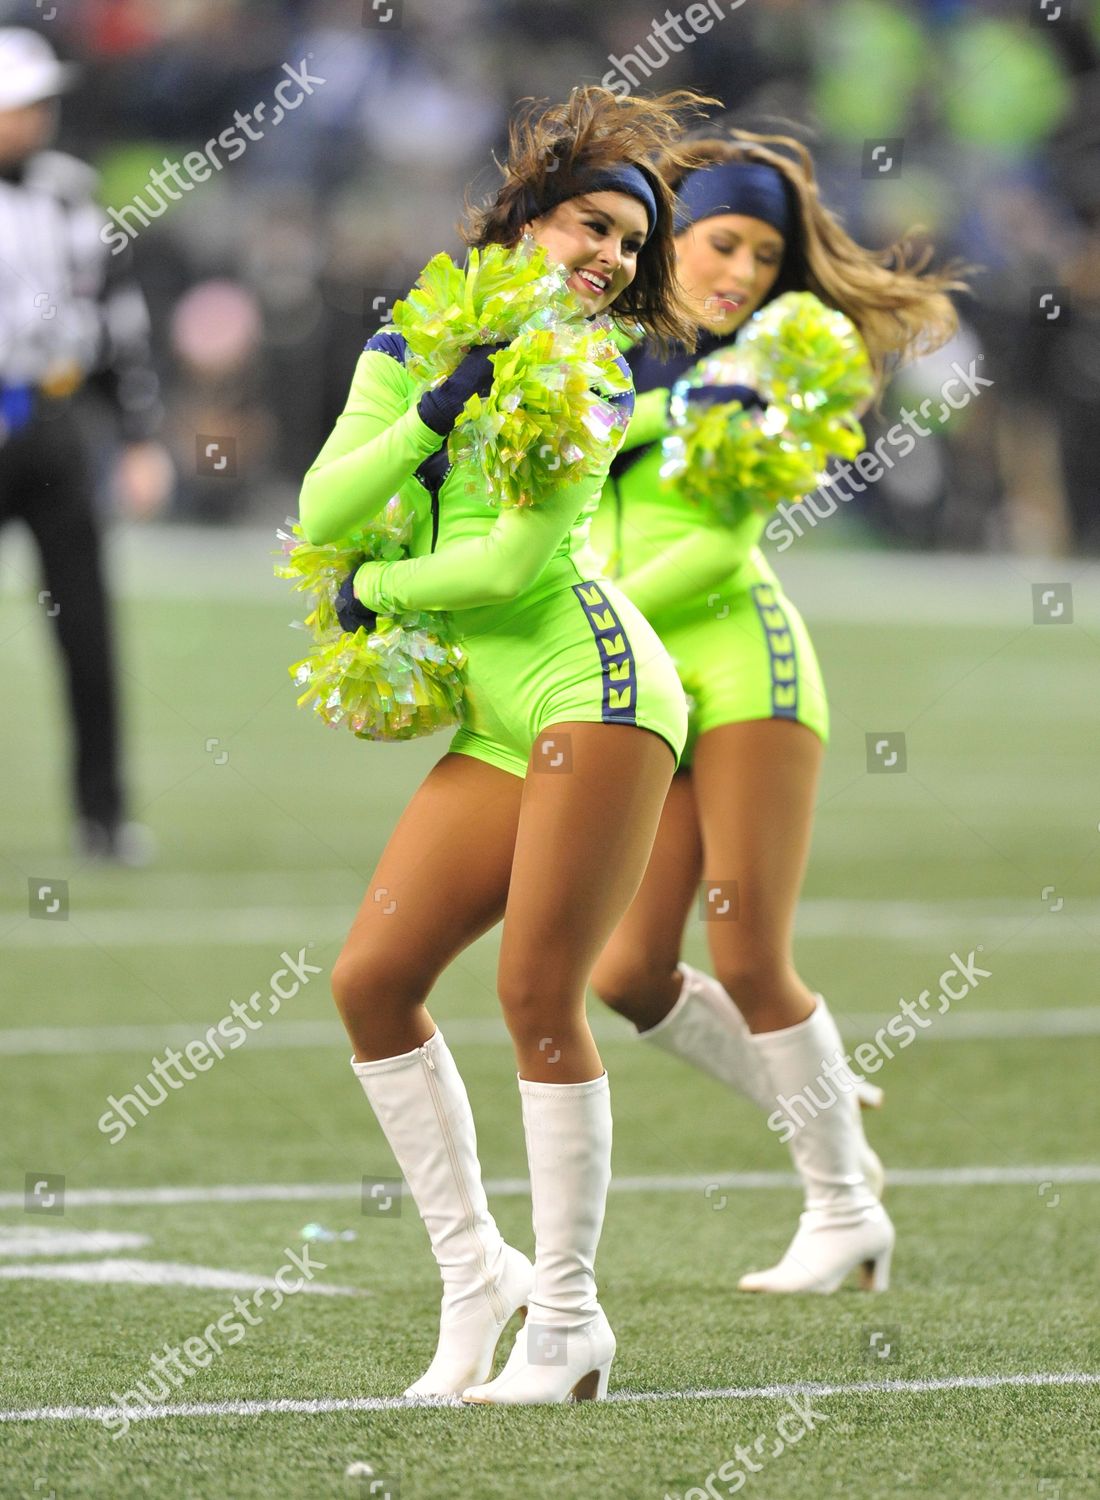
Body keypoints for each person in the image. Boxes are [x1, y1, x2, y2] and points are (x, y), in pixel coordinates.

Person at [298, 87, 707, 1404]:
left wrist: (381, 596)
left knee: (537, 995)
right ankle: (480, 1280)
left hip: (591, 689)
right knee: (373, 977)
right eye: (593, 225)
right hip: (493, 716)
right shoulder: (408, 340)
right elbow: (323, 500)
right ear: (527, 219)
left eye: (632, 247)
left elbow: (512, 563)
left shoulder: (592, 371)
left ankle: (570, 1320)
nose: (613, 259)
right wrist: (430, 414)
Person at [588, 130, 967, 1293]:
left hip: (741, 674)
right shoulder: (606, 350)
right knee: (624, 974)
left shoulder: (784, 355)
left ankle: (843, 1205)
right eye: (720, 243)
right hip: (647, 683)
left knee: (748, 954)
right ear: (668, 242)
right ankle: (812, 1094)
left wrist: (583, 624)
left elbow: (708, 547)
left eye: (762, 252)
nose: (743, 271)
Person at [0, 28, 172, 864]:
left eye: (39, 103)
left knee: (87, 626)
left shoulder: (72, 194)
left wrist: (139, 436)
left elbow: (117, 319)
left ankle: (102, 815)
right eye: (21, 103)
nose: (37, 117)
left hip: (55, 425)